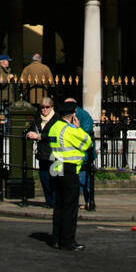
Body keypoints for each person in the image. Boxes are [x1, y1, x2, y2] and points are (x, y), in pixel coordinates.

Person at [48, 101, 93, 251]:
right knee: (70, 207)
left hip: (55, 165)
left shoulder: (54, 127)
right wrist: (78, 128)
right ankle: (67, 241)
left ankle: (56, 239)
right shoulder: (69, 130)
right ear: (73, 114)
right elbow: (87, 143)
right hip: (68, 168)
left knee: (59, 205)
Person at [24, 97, 60, 207]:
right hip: (42, 153)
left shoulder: (57, 118)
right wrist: (29, 134)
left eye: (47, 107)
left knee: (55, 179)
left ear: (51, 107)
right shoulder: (37, 118)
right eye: (42, 107)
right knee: (44, 178)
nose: (44, 110)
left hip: (55, 153)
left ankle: (55, 202)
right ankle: (49, 201)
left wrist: (39, 136)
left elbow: (56, 136)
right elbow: (30, 128)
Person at [66, 97, 97, 211]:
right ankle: (75, 203)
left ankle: (89, 201)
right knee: (76, 181)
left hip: (84, 155)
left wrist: (75, 129)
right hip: (71, 155)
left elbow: (85, 135)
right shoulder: (65, 116)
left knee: (85, 182)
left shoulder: (84, 116)